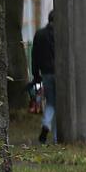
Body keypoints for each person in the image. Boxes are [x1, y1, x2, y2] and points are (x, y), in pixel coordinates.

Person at [31, 10, 56, 144]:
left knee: (51, 101)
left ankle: (46, 124)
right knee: (60, 104)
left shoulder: (39, 34)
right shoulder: (61, 34)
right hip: (60, 74)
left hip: (46, 73)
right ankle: (57, 137)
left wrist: (36, 74)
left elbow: (34, 56)